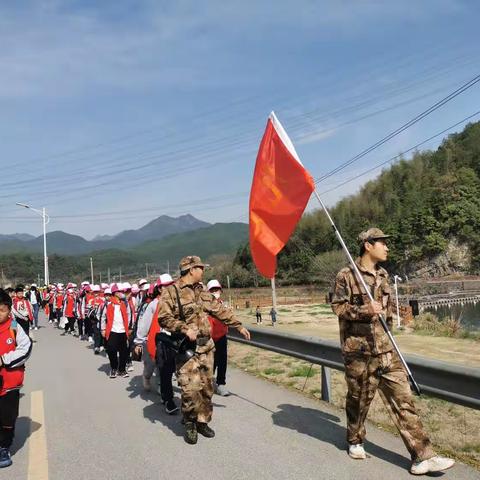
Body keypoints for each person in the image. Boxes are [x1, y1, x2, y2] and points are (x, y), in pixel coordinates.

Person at [331, 228, 455, 475]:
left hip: (387, 350)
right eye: (382, 243)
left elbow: (386, 312)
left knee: (404, 401)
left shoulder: (384, 275)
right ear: (368, 245)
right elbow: (338, 308)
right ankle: (355, 439)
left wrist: (394, 317)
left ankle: (423, 456)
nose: (387, 248)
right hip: (360, 353)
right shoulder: (346, 275)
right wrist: (366, 310)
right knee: (359, 401)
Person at [158, 255, 251, 445]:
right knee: (190, 389)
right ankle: (190, 423)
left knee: (207, 389)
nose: (203, 271)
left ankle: (202, 421)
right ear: (191, 270)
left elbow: (218, 309)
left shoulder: (202, 292)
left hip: (207, 347)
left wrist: (238, 325)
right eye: (201, 268)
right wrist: (184, 328)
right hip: (187, 349)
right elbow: (163, 318)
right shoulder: (171, 292)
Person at [134, 274, 178, 414]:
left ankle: (164, 391)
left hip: (175, 341)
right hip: (160, 342)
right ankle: (168, 400)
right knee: (161, 369)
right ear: (159, 289)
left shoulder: (177, 303)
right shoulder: (153, 304)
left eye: (171, 285)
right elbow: (145, 324)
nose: (169, 288)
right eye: (166, 286)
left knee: (169, 371)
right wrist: (139, 341)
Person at [0, 288, 33, 468]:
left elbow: (25, 349)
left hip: (10, 382)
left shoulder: (14, 327)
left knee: (7, 416)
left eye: (2, 310)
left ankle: (4, 446)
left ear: (8, 309)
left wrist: (4, 360)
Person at [207, 279, 230, 396]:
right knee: (211, 362)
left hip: (221, 336)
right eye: (212, 290)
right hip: (209, 338)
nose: (215, 292)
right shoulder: (205, 306)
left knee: (222, 361)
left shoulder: (223, 305)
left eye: (217, 289)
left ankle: (221, 384)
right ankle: (209, 382)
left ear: (221, 291)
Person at [101, 284, 130, 378]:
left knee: (124, 352)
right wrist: (103, 329)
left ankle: (122, 369)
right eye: (121, 292)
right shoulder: (108, 304)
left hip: (123, 331)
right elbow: (103, 317)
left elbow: (129, 315)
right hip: (112, 331)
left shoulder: (125, 303)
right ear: (115, 293)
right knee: (111, 350)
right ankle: (113, 368)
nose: (122, 293)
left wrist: (129, 328)